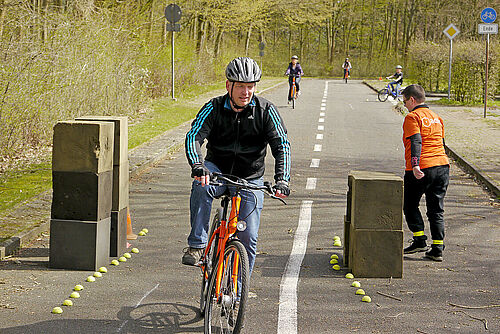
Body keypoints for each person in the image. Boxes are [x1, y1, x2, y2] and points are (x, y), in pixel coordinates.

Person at [183, 57, 291, 279]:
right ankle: (197, 245)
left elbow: (282, 145)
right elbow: (194, 136)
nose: (246, 92)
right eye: (240, 86)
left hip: (250, 177)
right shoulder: (212, 108)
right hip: (217, 170)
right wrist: (198, 165)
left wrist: (283, 179)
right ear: (228, 86)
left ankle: (238, 293)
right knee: (201, 187)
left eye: (250, 86)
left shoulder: (266, 110)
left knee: (248, 236)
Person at [401, 84, 450, 262]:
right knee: (436, 209)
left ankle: (420, 239)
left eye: (405, 101)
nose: (405, 104)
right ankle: (437, 248)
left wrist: (415, 165)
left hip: (422, 168)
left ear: (412, 100)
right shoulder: (437, 118)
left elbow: (416, 141)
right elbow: (442, 143)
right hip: (442, 166)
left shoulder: (412, 117)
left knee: (410, 205)